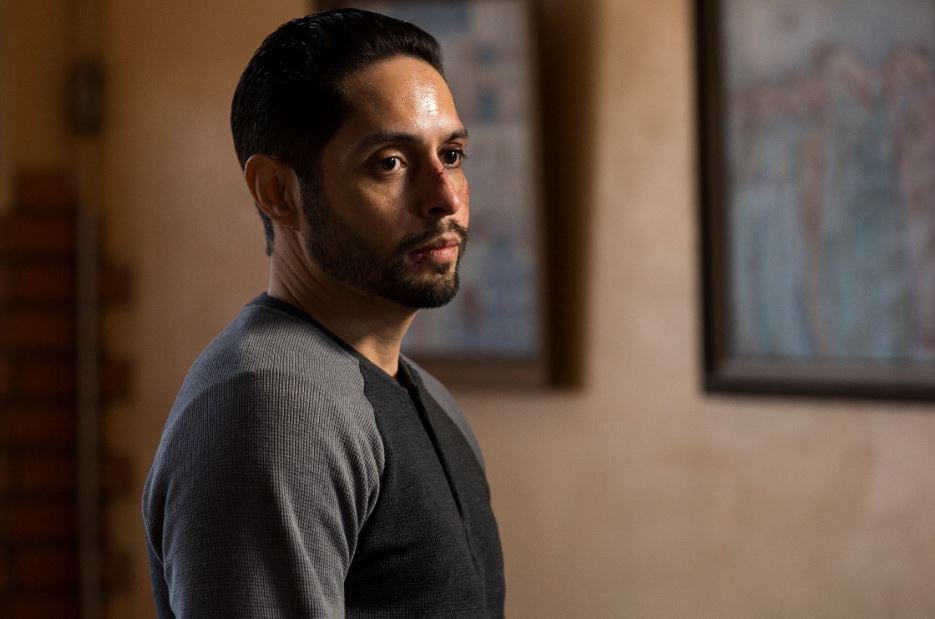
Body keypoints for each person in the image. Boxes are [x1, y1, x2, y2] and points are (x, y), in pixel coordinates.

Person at [142, 9, 505, 618]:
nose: (444, 197)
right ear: (278, 192)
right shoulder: (273, 406)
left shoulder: (424, 397)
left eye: (451, 154)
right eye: (389, 162)